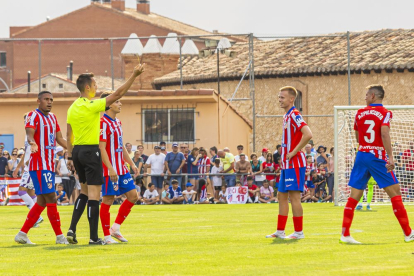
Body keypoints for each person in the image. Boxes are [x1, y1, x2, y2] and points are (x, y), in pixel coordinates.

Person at [66, 63, 145, 245]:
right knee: (95, 196)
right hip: (91, 151)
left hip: (77, 151)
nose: (96, 88)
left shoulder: (72, 107)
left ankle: (72, 228)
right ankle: (96, 237)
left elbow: (69, 134)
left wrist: (70, 157)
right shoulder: (92, 105)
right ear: (87, 87)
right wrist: (133, 75)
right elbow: (117, 94)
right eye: (94, 85)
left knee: (84, 194)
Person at [340, 84, 414, 244]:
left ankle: (345, 234)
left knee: (354, 196)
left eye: (367, 94)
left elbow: (358, 136)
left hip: (361, 154)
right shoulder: (385, 113)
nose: (365, 97)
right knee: (395, 193)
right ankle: (408, 233)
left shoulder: (359, 113)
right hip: (377, 155)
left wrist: (364, 148)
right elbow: (385, 133)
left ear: (373, 95)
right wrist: (391, 157)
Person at [14, 91, 69, 245]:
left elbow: (59, 139)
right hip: (39, 165)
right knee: (51, 197)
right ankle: (59, 237)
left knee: (42, 202)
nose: (49, 102)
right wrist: (32, 143)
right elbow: (29, 134)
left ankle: (22, 234)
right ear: (38, 101)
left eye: (51, 99)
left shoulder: (53, 117)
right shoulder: (33, 115)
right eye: (46, 99)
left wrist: (73, 149)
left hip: (49, 165)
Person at [266, 86, 312, 240]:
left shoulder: (295, 115)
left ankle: (299, 232)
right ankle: (280, 231)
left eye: (282, 97)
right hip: (287, 164)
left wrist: (293, 152)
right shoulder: (286, 116)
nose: (280, 100)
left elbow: (308, 134)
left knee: (294, 197)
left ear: (291, 99)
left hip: (295, 163)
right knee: (281, 195)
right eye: (279, 97)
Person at [98, 91, 139, 244]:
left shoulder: (118, 122)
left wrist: (132, 163)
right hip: (110, 170)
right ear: (108, 104)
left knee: (133, 196)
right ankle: (106, 236)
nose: (120, 104)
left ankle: (115, 228)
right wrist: (109, 168)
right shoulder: (103, 123)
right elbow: (101, 148)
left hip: (122, 169)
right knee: (108, 200)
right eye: (117, 101)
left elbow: (120, 147)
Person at [13, 113, 44, 228]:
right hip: (28, 167)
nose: (27, 122)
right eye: (26, 120)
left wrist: (30, 162)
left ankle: (36, 217)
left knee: (21, 191)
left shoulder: (35, 134)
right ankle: (35, 219)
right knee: (31, 194)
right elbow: (26, 153)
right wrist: (17, 168)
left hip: (31, 167)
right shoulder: (27, 135)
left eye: (29, 120)